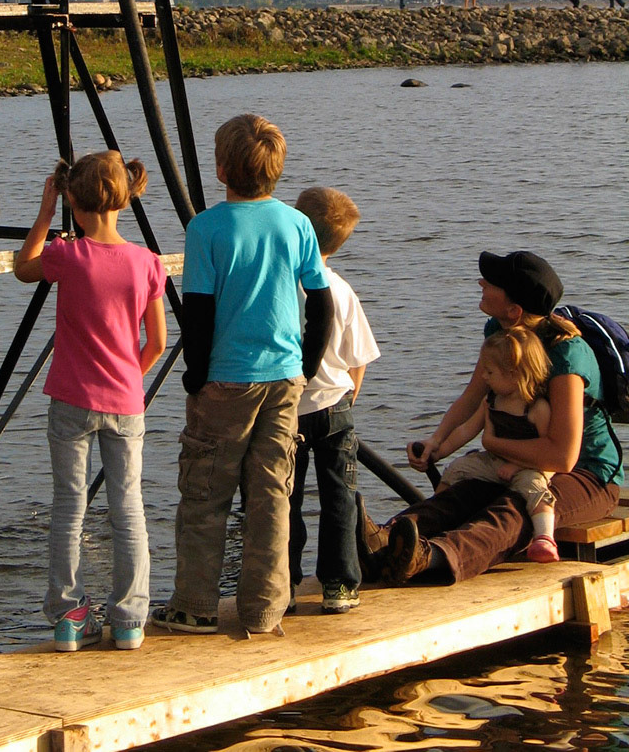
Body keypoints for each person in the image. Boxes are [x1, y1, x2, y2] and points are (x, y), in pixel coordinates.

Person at [153, 114, 333, 637]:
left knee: (206, 493)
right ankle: (264, 608)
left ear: (222, 169)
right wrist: (307, 367)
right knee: (272, 493)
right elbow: (321, 305)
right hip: (283, 379)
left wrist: (194, 372)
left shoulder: (206, 227)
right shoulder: (297, 224)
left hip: (225, 381)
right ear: (276, 170)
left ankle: (195, 604)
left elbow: (200, 311)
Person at [359, 250, 623, 587]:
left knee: (515, 507)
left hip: (588, 475)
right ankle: (381, 542)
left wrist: (493, 443)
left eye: (492, 283)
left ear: (515, 310)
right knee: (462, 494)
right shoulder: (498, 334)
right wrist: (437, 442)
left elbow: (563, 456)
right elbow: (473, 397)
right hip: (516, 459)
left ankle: (432, 557)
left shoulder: (567, 354)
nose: (482, 282)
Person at [14, 151, 167, 652]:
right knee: (128, 509)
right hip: (125, 402)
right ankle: (129, 620)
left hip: (71, 402)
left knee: (69, 508)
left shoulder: (67, 254)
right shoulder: (147, 263)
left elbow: (23, 267)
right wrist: (127, 377)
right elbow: (157, 344)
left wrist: (43, 211)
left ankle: (68, 616)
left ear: (74, 204)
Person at [288, 187, 380, 613]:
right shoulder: (340, 289)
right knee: (339, 495)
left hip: (287, 408)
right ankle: (340, 583)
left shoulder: (284, 285)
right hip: (333, 406)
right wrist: (349, 393)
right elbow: (358, 358)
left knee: (283, 497)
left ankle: (282, 579)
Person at [433, 326, 558, 562]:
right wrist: (439, 451)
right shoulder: (492, 400)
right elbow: (466, 430)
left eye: (490, 372)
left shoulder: (535, 407)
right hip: (493, 461)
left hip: (528, 466)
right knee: (458, 468)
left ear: (513, 374)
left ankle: (544, 537)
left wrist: (517, 466)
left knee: (536, 490)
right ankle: (438, 512)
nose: (483, 377)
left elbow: (549, 452)